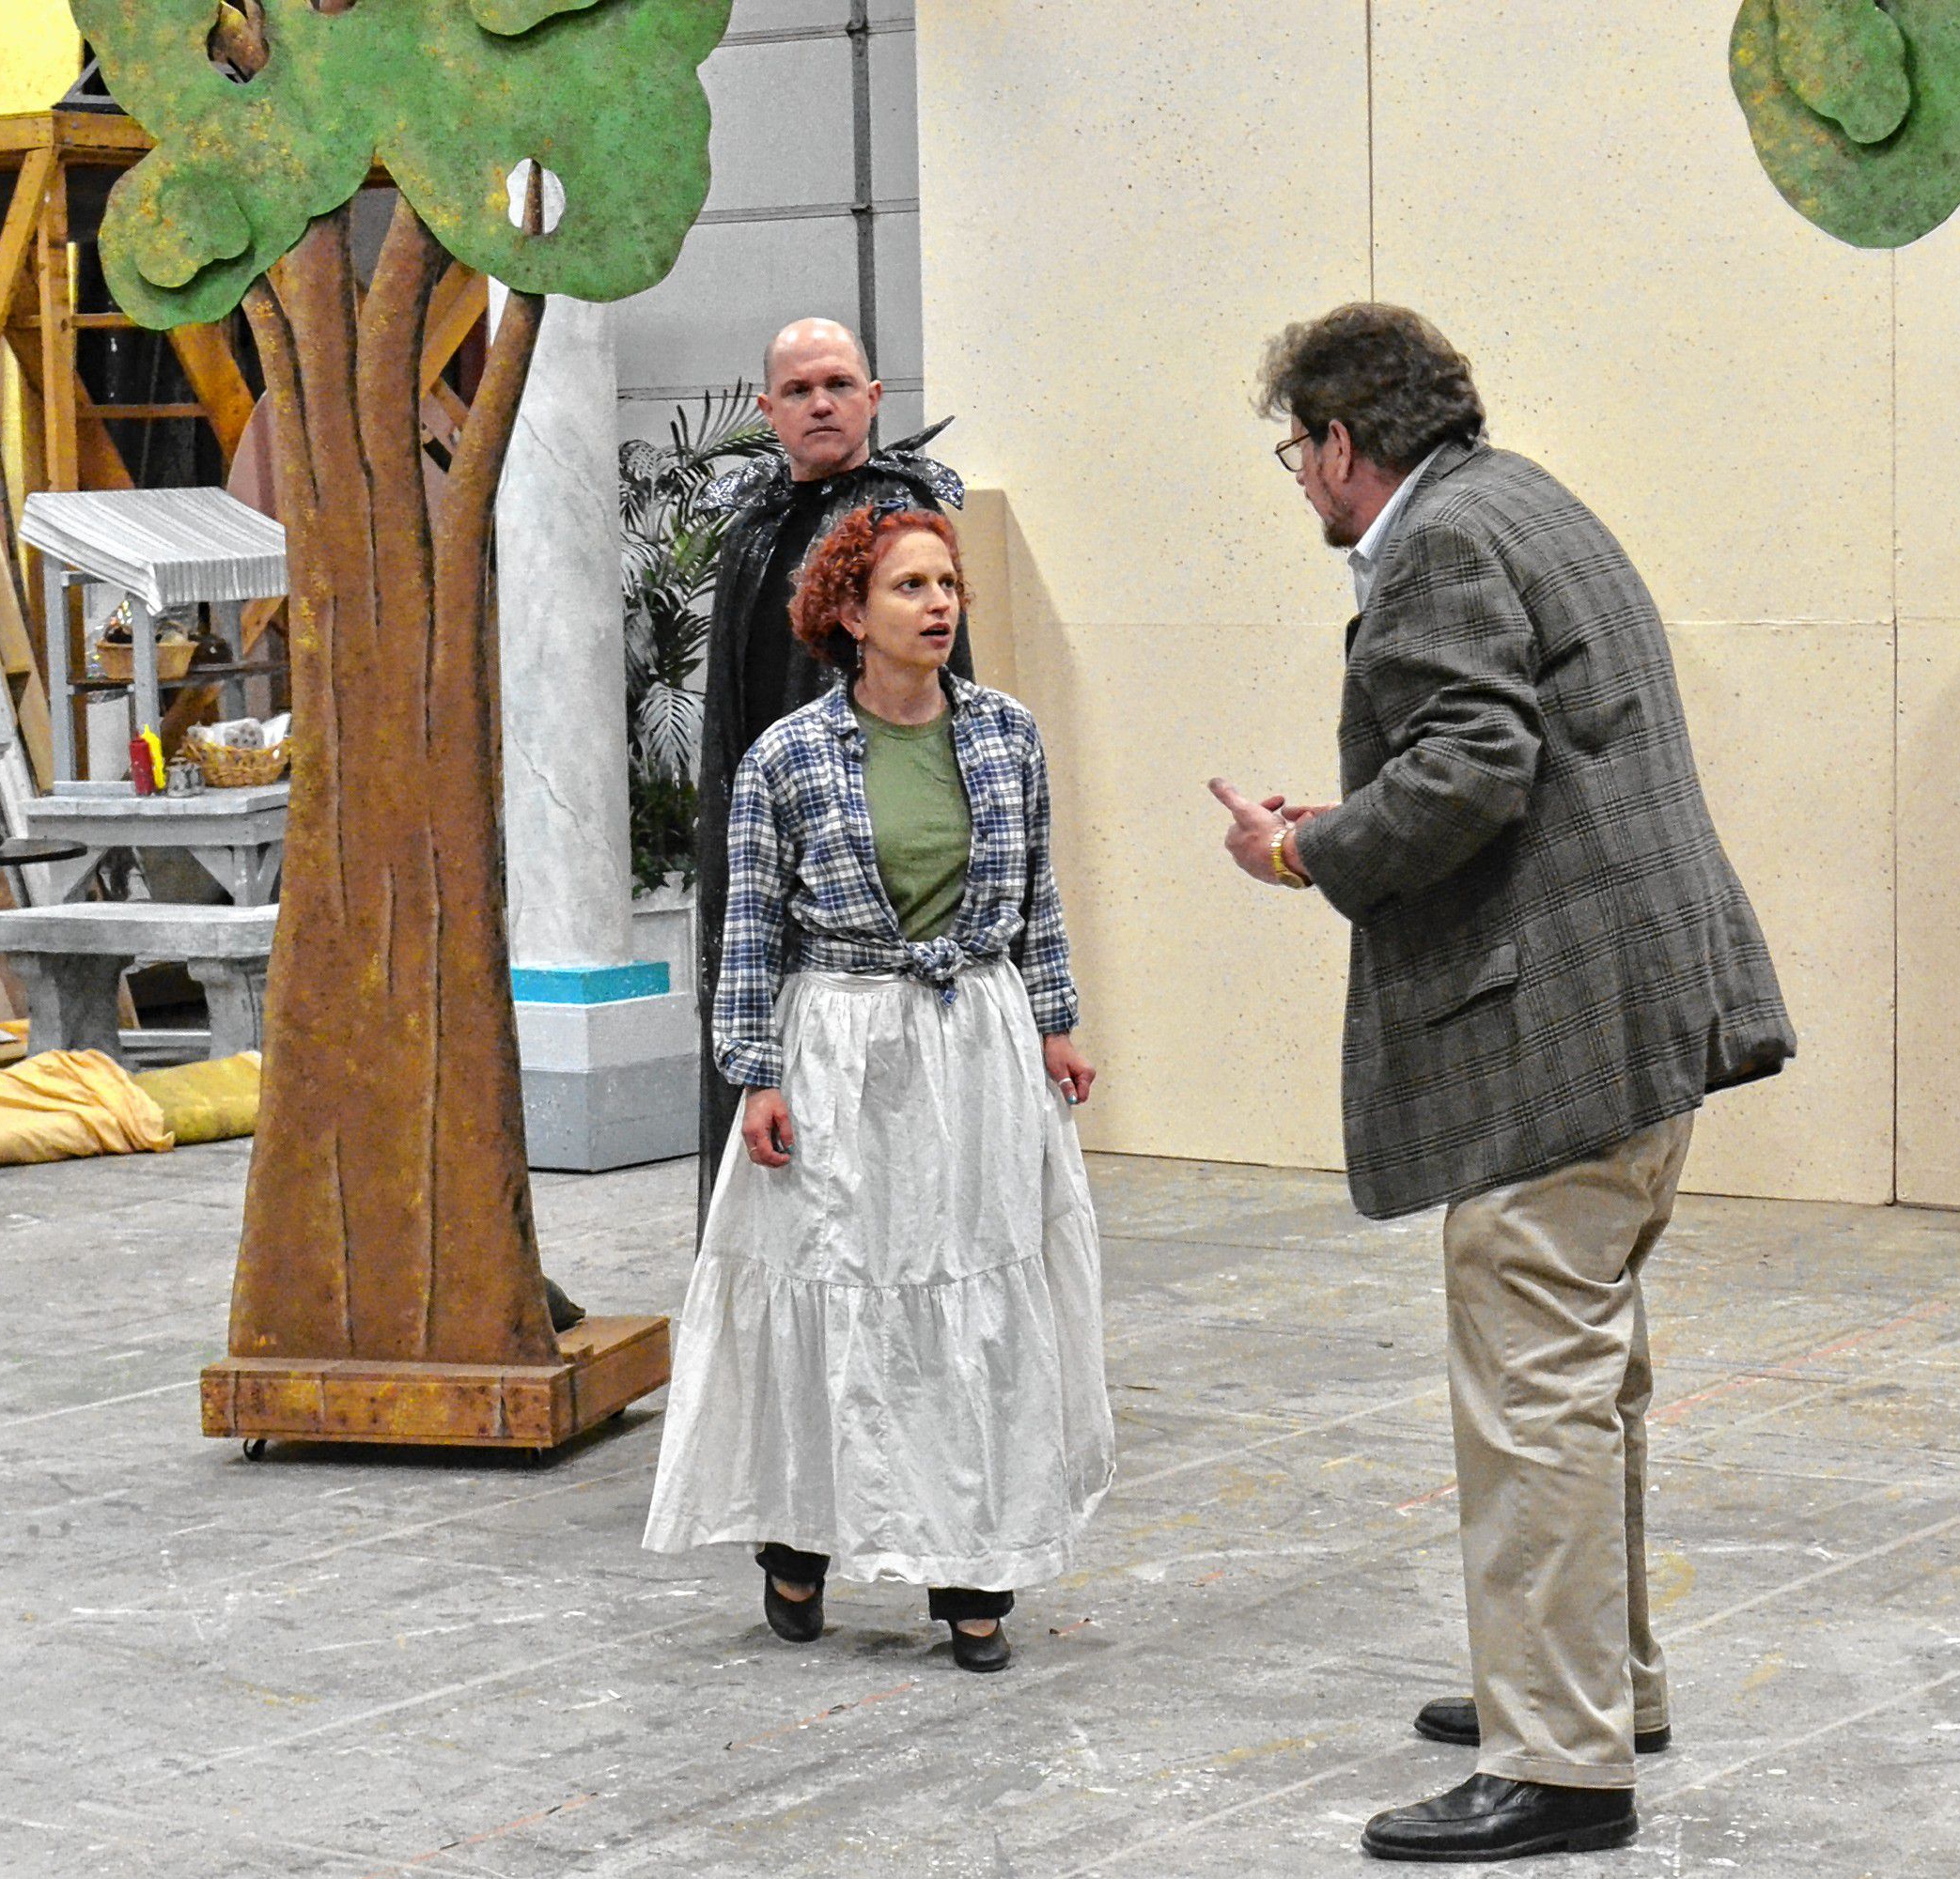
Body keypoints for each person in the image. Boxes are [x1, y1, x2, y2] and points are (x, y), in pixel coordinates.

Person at [1209, 305, 1794, 1862]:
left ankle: (1560, 1763)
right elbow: (1504, 745)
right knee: (1592, 1382)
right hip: (1642, 1012)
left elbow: (1474, 763)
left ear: (1344, 441)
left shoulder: (1436, 544)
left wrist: (1305, 848)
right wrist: (1361, 810)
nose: (1300, 480)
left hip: (1563, 1038)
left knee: (1536, 1383)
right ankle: (1596, 1691)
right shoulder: (1525, 496)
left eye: (1297, 450)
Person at [645, 503, 1111, 1673]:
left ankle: (974, 1565)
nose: (940, 603)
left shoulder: (1008, 734)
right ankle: (801, 1535)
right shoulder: (787, 758)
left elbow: (1038, 895)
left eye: (947, 582)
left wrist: (1055, 1021)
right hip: (842, 1042)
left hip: (976, 1043)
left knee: (978, 1293)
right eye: (910, 586)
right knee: (839, 1286)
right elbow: (747, 929)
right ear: (849, 615)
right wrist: (752, 1076)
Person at [692, 318, 970, 1224]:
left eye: (841, 385)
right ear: (767, 407)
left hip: (876, 870)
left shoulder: (904, 521)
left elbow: (943, 696)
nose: (823, 403)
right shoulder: (755, 525)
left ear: (875, 400)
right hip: (763, 826)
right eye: (802, 389)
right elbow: (729, 712)